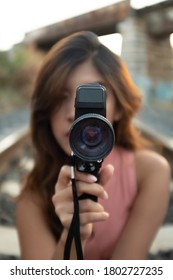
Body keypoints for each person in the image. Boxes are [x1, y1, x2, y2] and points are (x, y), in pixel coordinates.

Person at [16, 30, 171, 260]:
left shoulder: (150, 172)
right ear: (45, 109)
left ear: (118, 108)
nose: (72, 113)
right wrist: (72, 234)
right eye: (60, 96)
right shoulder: (32, 199)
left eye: (92, 98)